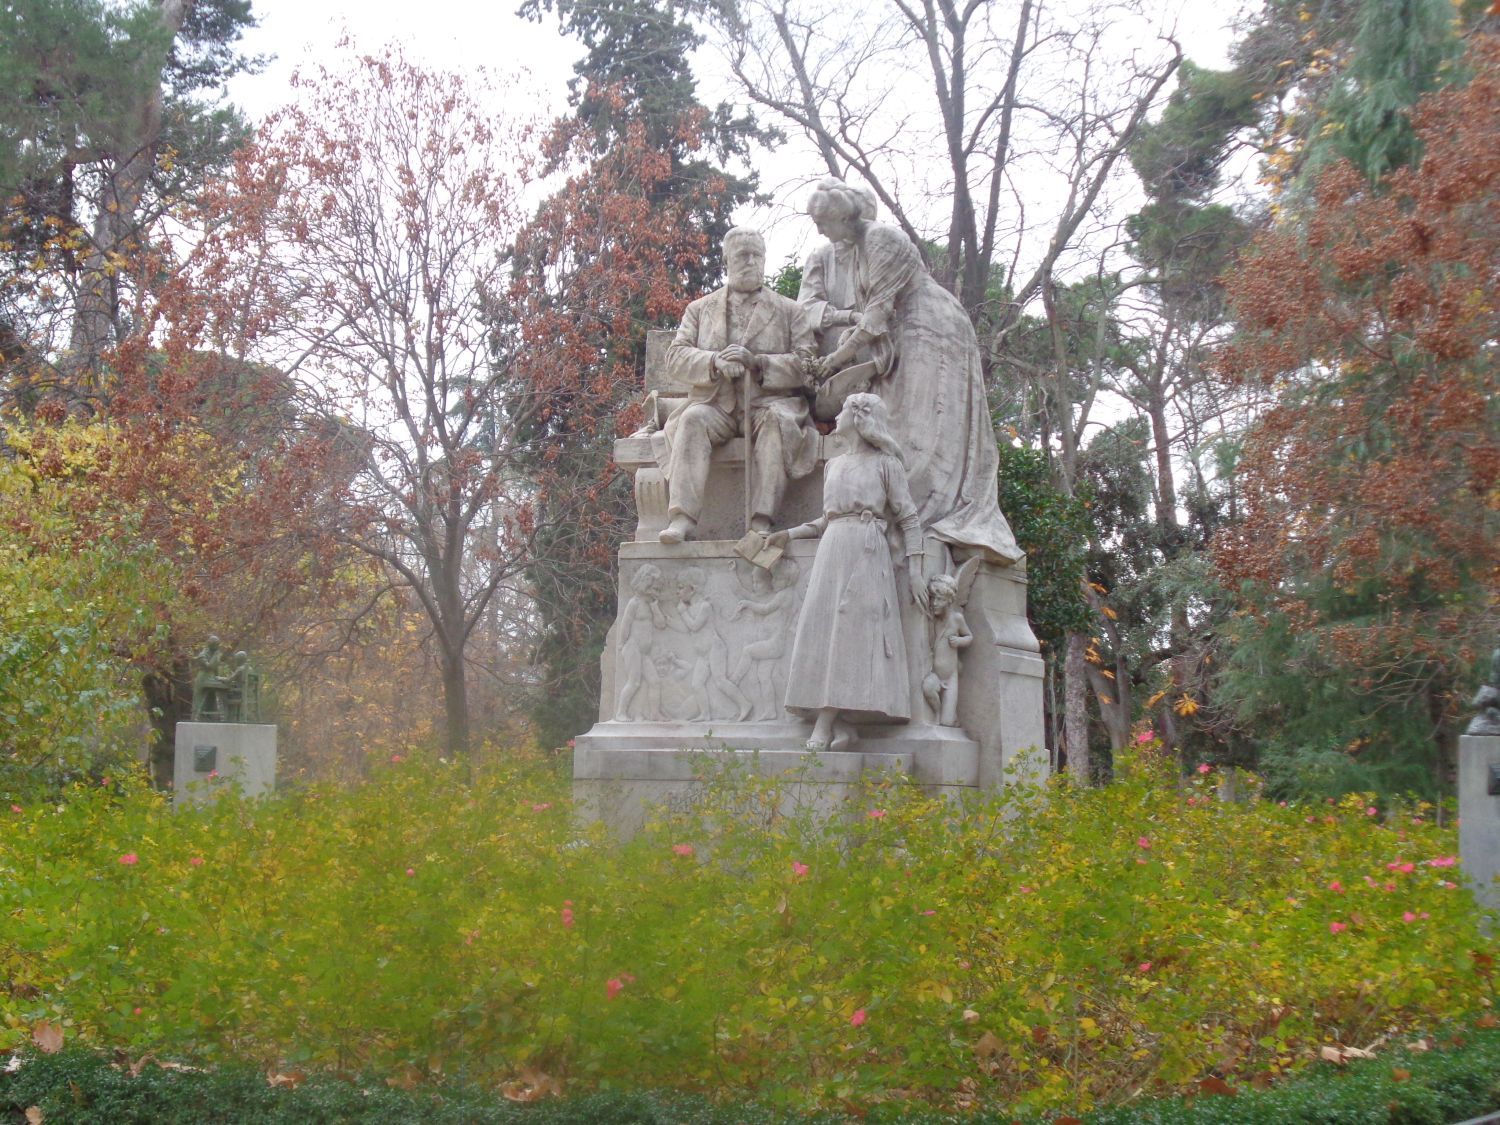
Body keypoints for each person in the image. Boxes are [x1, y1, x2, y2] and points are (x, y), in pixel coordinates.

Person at [804, 178, 1023, 564]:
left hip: (931, 328)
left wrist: (836, 360)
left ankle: (928, 520)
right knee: (899, 428)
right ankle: (909, 521)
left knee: (925, 431)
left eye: (822, 220)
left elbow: (874, 318)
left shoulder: (881, 239)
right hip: (901, 335)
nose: (819, 230)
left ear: (840, 216)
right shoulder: (854, 248)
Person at [768, 393, 924, 751]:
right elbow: (827, 519)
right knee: (823, 632)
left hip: (867, 551)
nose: (835, 416)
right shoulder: (833, 466)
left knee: (852, 635)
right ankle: (841, 723)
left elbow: (909, 517)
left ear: (859, 417)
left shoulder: (886, 464)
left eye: (842, 410)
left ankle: (824, 723)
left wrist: (916, 570)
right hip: (833, 548)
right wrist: (788, 534)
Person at [659, 227, 818, 543]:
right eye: (741, 255)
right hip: (716, 404)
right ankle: (682, 518)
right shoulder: (699, 309)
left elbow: (808, 366)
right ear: (726, 260)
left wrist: (758, 363)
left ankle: (761, 520)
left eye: (756, 255)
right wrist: (713, 362)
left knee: (777, 422)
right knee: (691, 420)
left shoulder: (790, 311)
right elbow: (675, 357)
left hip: (766, 404)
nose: (750, 261)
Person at [796, 183, 876, 356]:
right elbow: (804, 309)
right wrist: (846, 316)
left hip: (876, 350)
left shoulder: (881, 251)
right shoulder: (820, 256)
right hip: (832, 352)